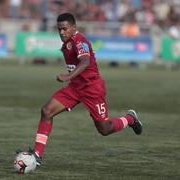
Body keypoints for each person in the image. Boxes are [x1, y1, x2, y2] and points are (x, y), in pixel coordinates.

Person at [26, 13, 143, 166]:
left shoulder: (80, 41)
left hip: (92, 89)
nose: (61, 32)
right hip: (75, 88)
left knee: (104, 129)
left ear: (74, 28)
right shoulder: (68, 42)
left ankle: (130, 119)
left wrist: (68, 76)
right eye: (59, 29)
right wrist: (71, 79)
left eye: (65, 29)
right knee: (46, 111)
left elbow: (85, 62)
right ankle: (37, 154)